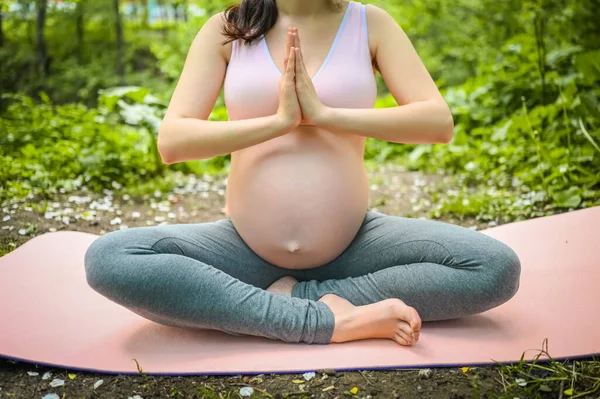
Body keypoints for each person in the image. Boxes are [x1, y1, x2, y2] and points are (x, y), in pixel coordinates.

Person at [84, 0, 521, 346]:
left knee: (493, 268)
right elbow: (173, 141)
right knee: (110, 259)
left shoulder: (371, 23)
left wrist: (325, 115)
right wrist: (278, 122)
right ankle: (332, 321)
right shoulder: (227, 29)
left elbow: (437, 122)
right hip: (243, 250)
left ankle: (294, 299)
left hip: (356, 246)